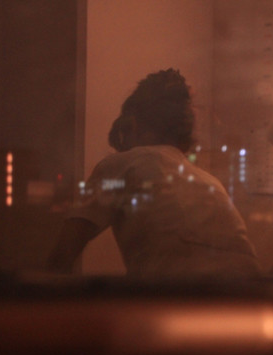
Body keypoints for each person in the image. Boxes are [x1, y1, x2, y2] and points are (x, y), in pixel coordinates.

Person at [48, 68, 260, 279]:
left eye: (123, 138)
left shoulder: (121, 165)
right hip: (248, 296)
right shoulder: (213, 183)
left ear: (133, 125)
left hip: (172, 298)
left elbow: (61, 257)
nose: (122, 149)